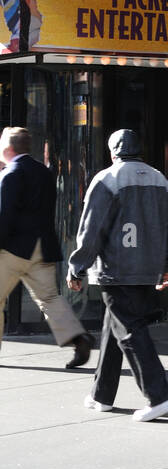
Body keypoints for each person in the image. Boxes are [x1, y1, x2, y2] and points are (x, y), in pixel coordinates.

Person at [67, 129, 168, 422]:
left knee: (129, 329)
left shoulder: (107, 179)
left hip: (117, 269)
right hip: (148, 269)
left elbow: (91, 230)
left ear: (113, 152)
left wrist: (77, 267)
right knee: (114, 326)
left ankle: (159, 396)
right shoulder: (160, 180)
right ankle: (100, 394)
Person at [0, 126, 92, 368]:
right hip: (42, 248)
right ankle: (78, 338)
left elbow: (5, 216)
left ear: (8, 149)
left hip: (14, 250)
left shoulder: (10, 174)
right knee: (49, 298)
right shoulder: (43, 171)